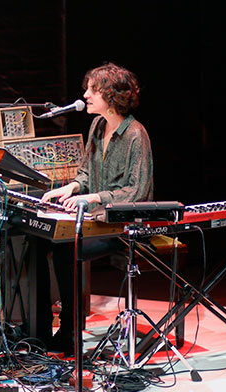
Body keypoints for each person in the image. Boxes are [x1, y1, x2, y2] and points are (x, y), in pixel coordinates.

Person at [36, 62, 153, 355]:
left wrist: (93, 198)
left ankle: (69, 331)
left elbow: (136, 191)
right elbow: (86, 173)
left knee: (66, 246)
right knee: (38, 240)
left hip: (125, 226)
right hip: (97, 220)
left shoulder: (136, 134)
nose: (86, 94)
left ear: (112, 96)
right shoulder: (97, 125)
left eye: (93, 90)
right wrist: (72, 188)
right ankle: (37, 330)